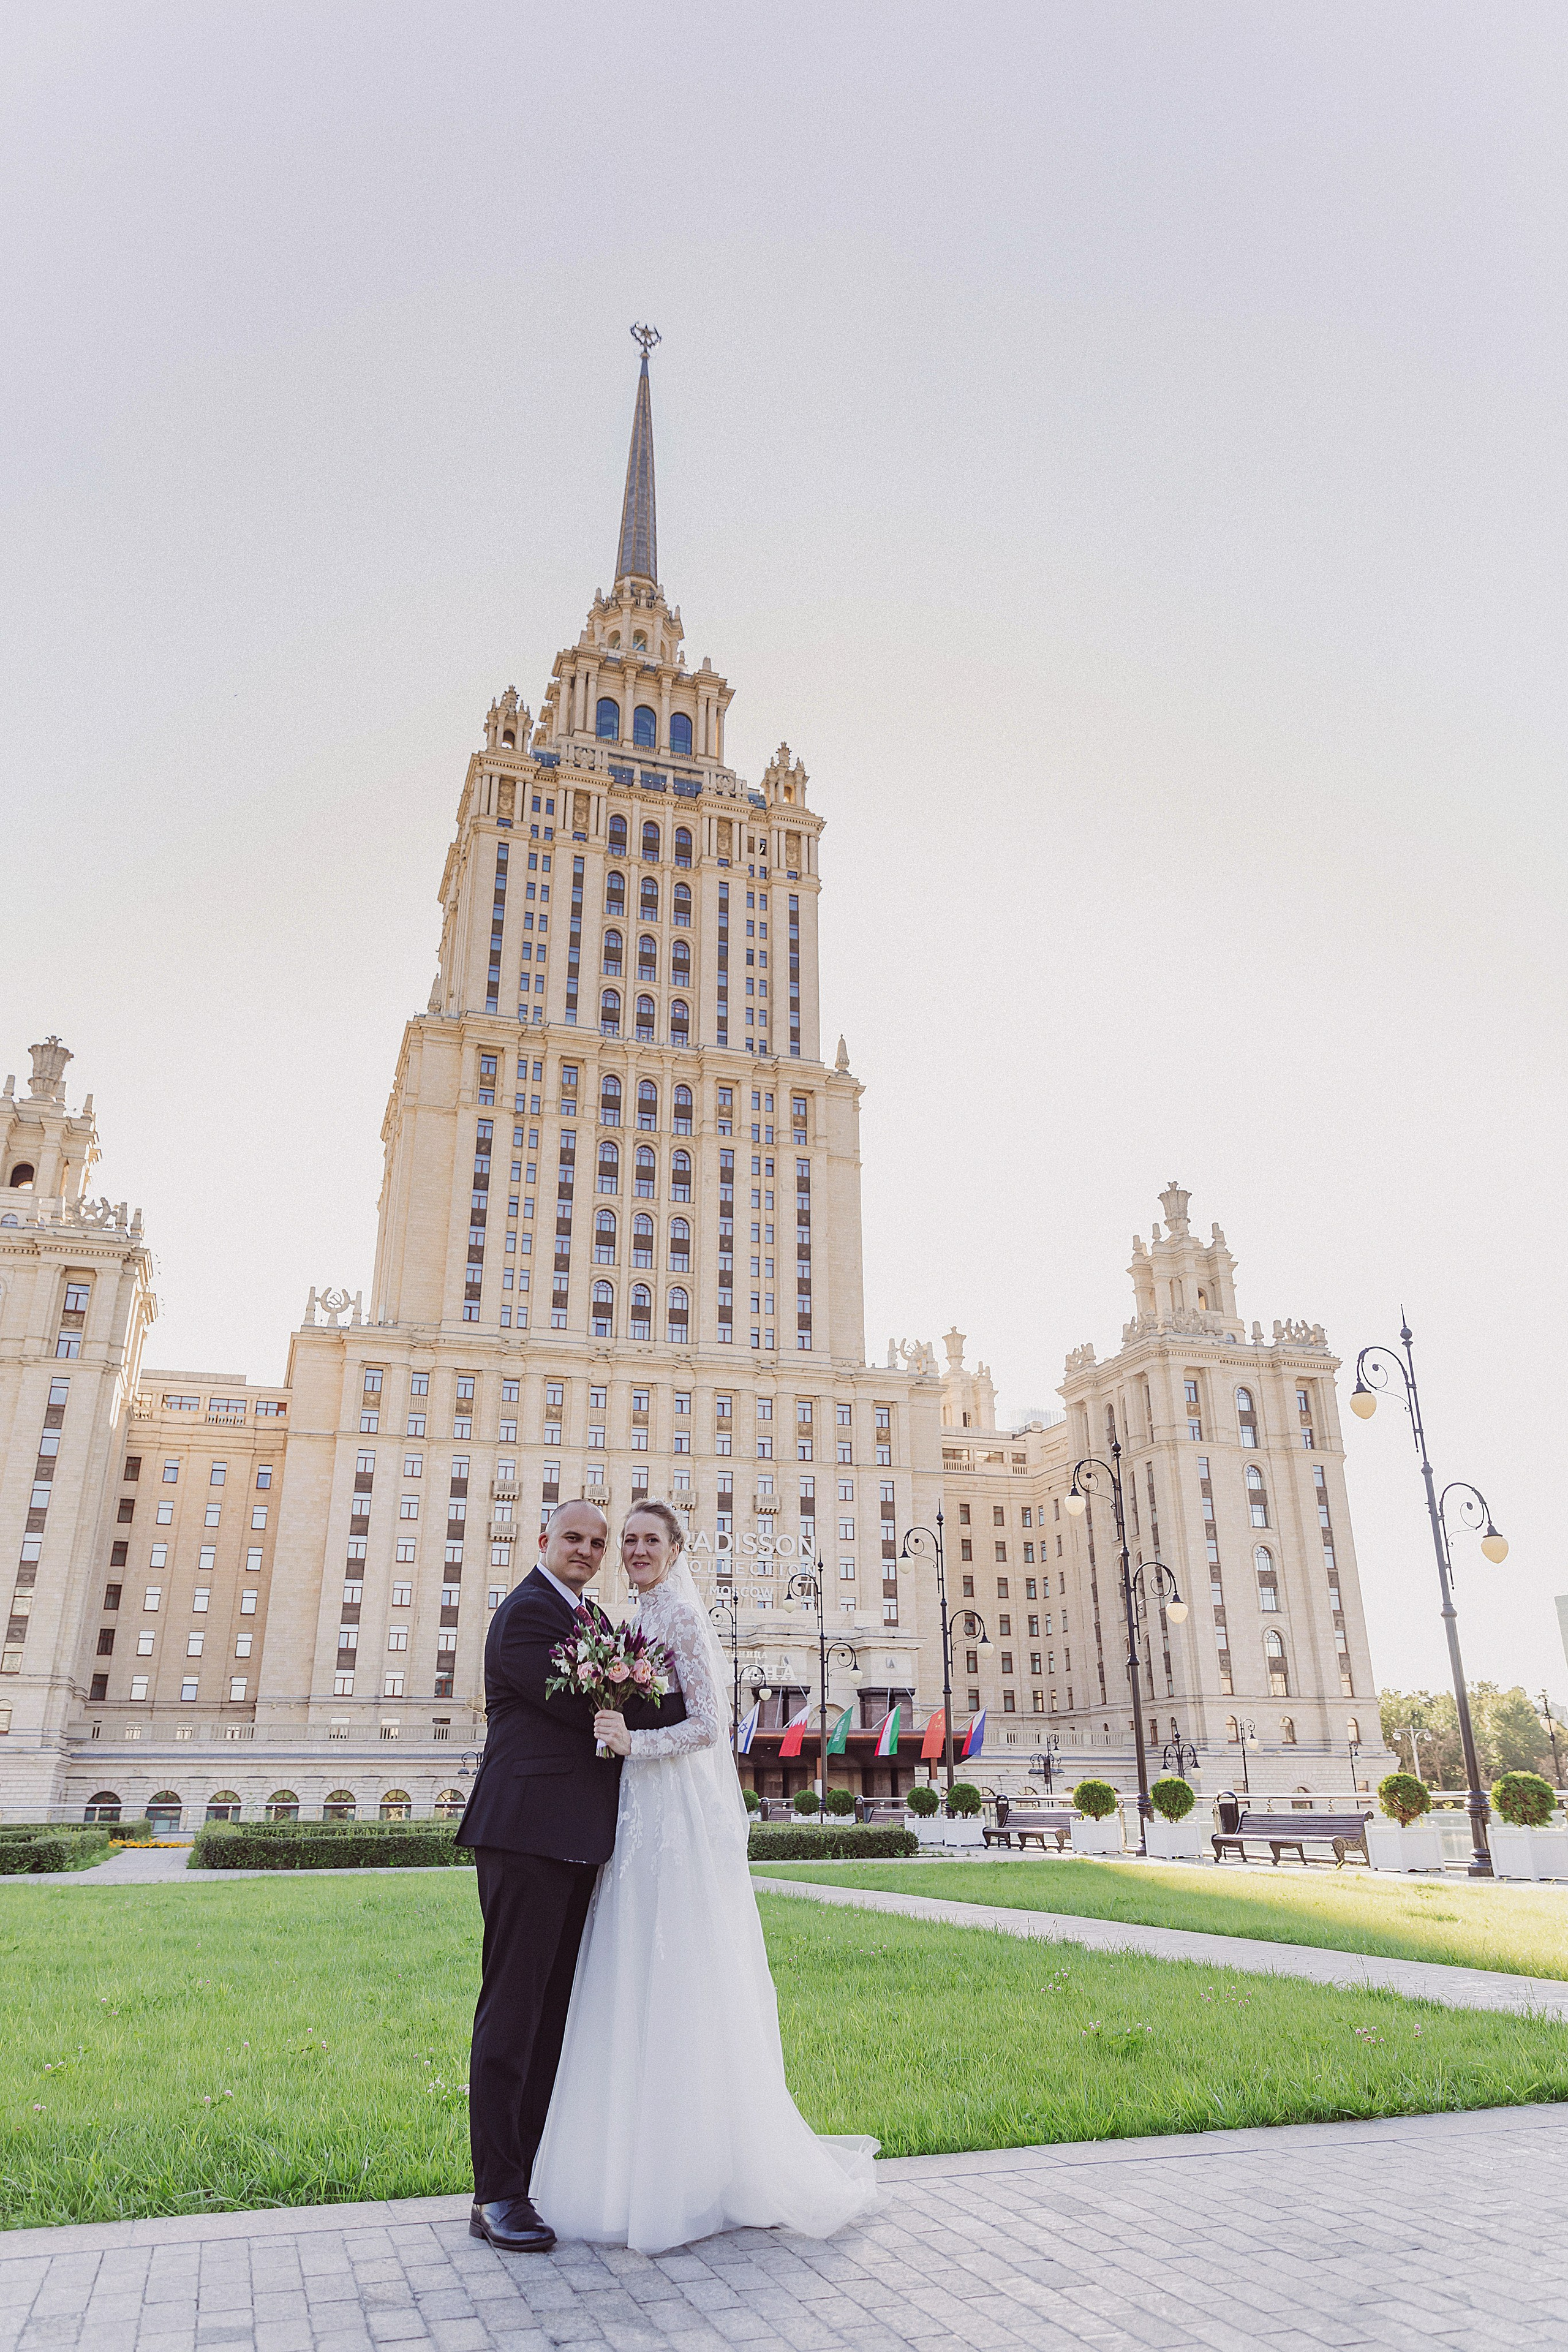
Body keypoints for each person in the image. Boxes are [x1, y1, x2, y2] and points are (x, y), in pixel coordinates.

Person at [531, 1501, 878, 2254]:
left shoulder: (681, 1619)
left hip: (671, 1806)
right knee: (628, 1958)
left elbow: (710, 1726)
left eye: (648, 1540)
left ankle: (693, 2172)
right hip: (634, 1808)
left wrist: (632, 1740)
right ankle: (625, 2164)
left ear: (677, 1549)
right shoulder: (627, 1621)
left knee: (677, 1959)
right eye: (627, 1542)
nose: (634, 1551)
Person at [456, 1498, 686, 2253]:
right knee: (514, 2014)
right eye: (575, 1539)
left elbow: (618, 1692)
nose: (587, 1551)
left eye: (597, 1542)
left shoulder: (587, 1621)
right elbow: (599, 1703)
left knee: (552, 2016)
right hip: (525, 1837)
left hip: (575, 1842)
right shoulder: (527, 1615)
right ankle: (495, 2195)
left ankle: (526, 2178)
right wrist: (676, 1702)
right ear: (543, 1540)